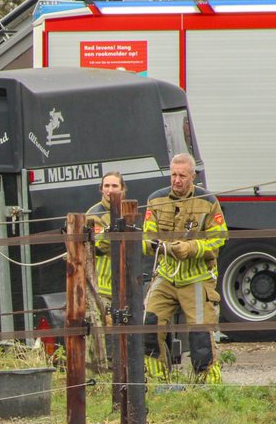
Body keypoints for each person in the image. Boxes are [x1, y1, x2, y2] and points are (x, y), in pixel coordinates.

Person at [142, 153, 228, 384]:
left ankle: (209, 386)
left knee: (201, 335)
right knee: (149, 325)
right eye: (173, 175)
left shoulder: (208, 201)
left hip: (198, 277)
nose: (176, 180)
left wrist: (191, 248)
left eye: (182, 175)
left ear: (193, 176)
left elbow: (219, 239)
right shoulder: (156, 199)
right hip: (166, 275)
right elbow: (146, 238)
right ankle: (157, 382)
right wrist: (162, 248)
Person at [85, 171, 126, 367]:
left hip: (125, 288)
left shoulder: (129, 212)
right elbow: (101, 245)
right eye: (106, 186)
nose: (110, 190)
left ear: (122, 189)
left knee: (124, 336)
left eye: (114, 186)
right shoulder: (93, 214)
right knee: (98, 337)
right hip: (100, 287)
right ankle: (97, 375)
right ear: (101, 189)